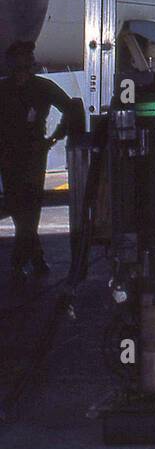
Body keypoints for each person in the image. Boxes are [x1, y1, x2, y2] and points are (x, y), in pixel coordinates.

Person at [0, 40, 76, 282]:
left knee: (25, 207)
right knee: (22, 207)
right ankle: (35, 256)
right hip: (16, 154)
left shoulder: (34, 88)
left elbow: (71, 108)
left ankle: (23, 259)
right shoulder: (40, 88)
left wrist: (55, 137)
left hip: (27, 154)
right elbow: (72, 107)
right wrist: (56, 137)